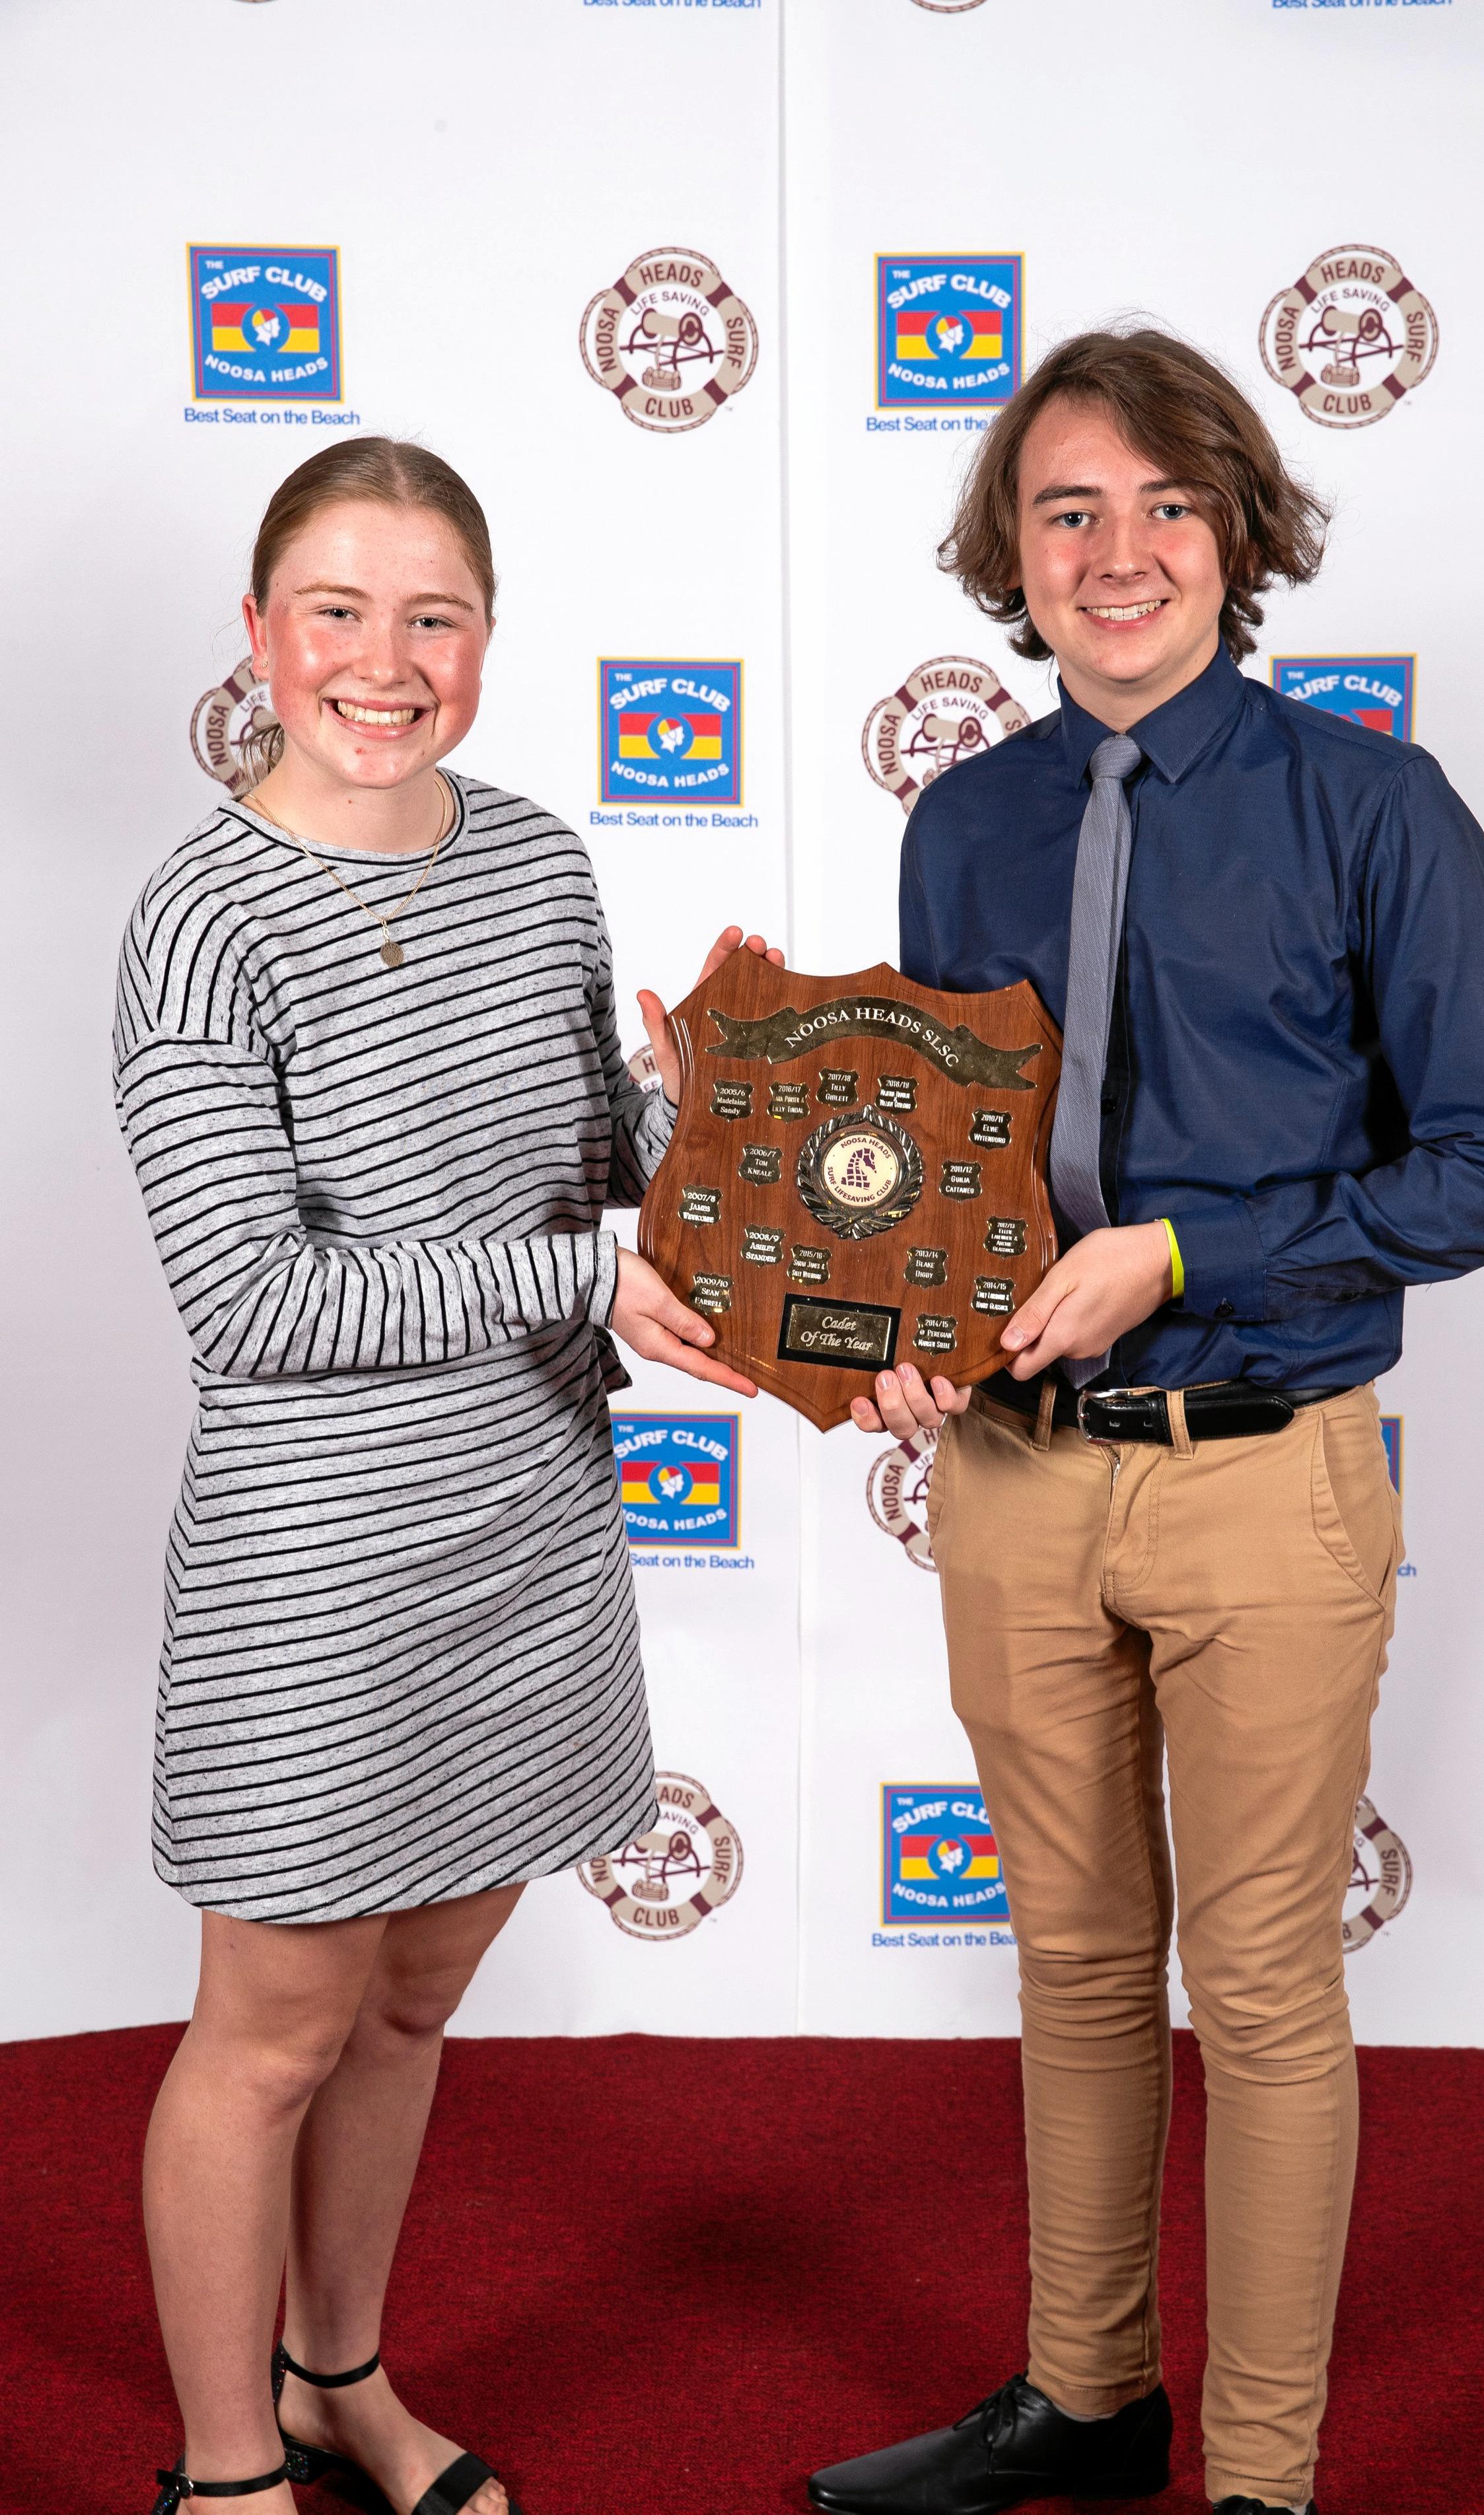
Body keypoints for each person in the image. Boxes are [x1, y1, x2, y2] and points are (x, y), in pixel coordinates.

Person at [809, 331, 1484, 2515]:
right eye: (1065, 512)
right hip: (1017, 1483)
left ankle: (1255, 2475)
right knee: (1063, 1961)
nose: (1113, 552)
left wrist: (1173, 1254)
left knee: (1256, 1989)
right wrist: (899, 1320)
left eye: (1162, 506)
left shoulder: (1371, 808)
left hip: (1265, 1478)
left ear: (1235, 537)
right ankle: (1084, 2396)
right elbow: (938, 1157)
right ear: (1008, 559)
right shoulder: (966, 821)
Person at [116, 437, 772, 2515]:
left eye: (433, 618)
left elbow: (604, 1180)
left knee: (404, 2011)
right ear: (257, 631)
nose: (382, 664)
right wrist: (590, 1258)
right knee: (271, 2036)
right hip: (318, 1572)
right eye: (337, 610)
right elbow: (251, 1297)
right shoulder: (198, 919)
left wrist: (729, 1125)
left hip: (531, 1533)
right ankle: (226, 2471)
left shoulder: (538, 861)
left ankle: (339, 2382)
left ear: (485, 641)